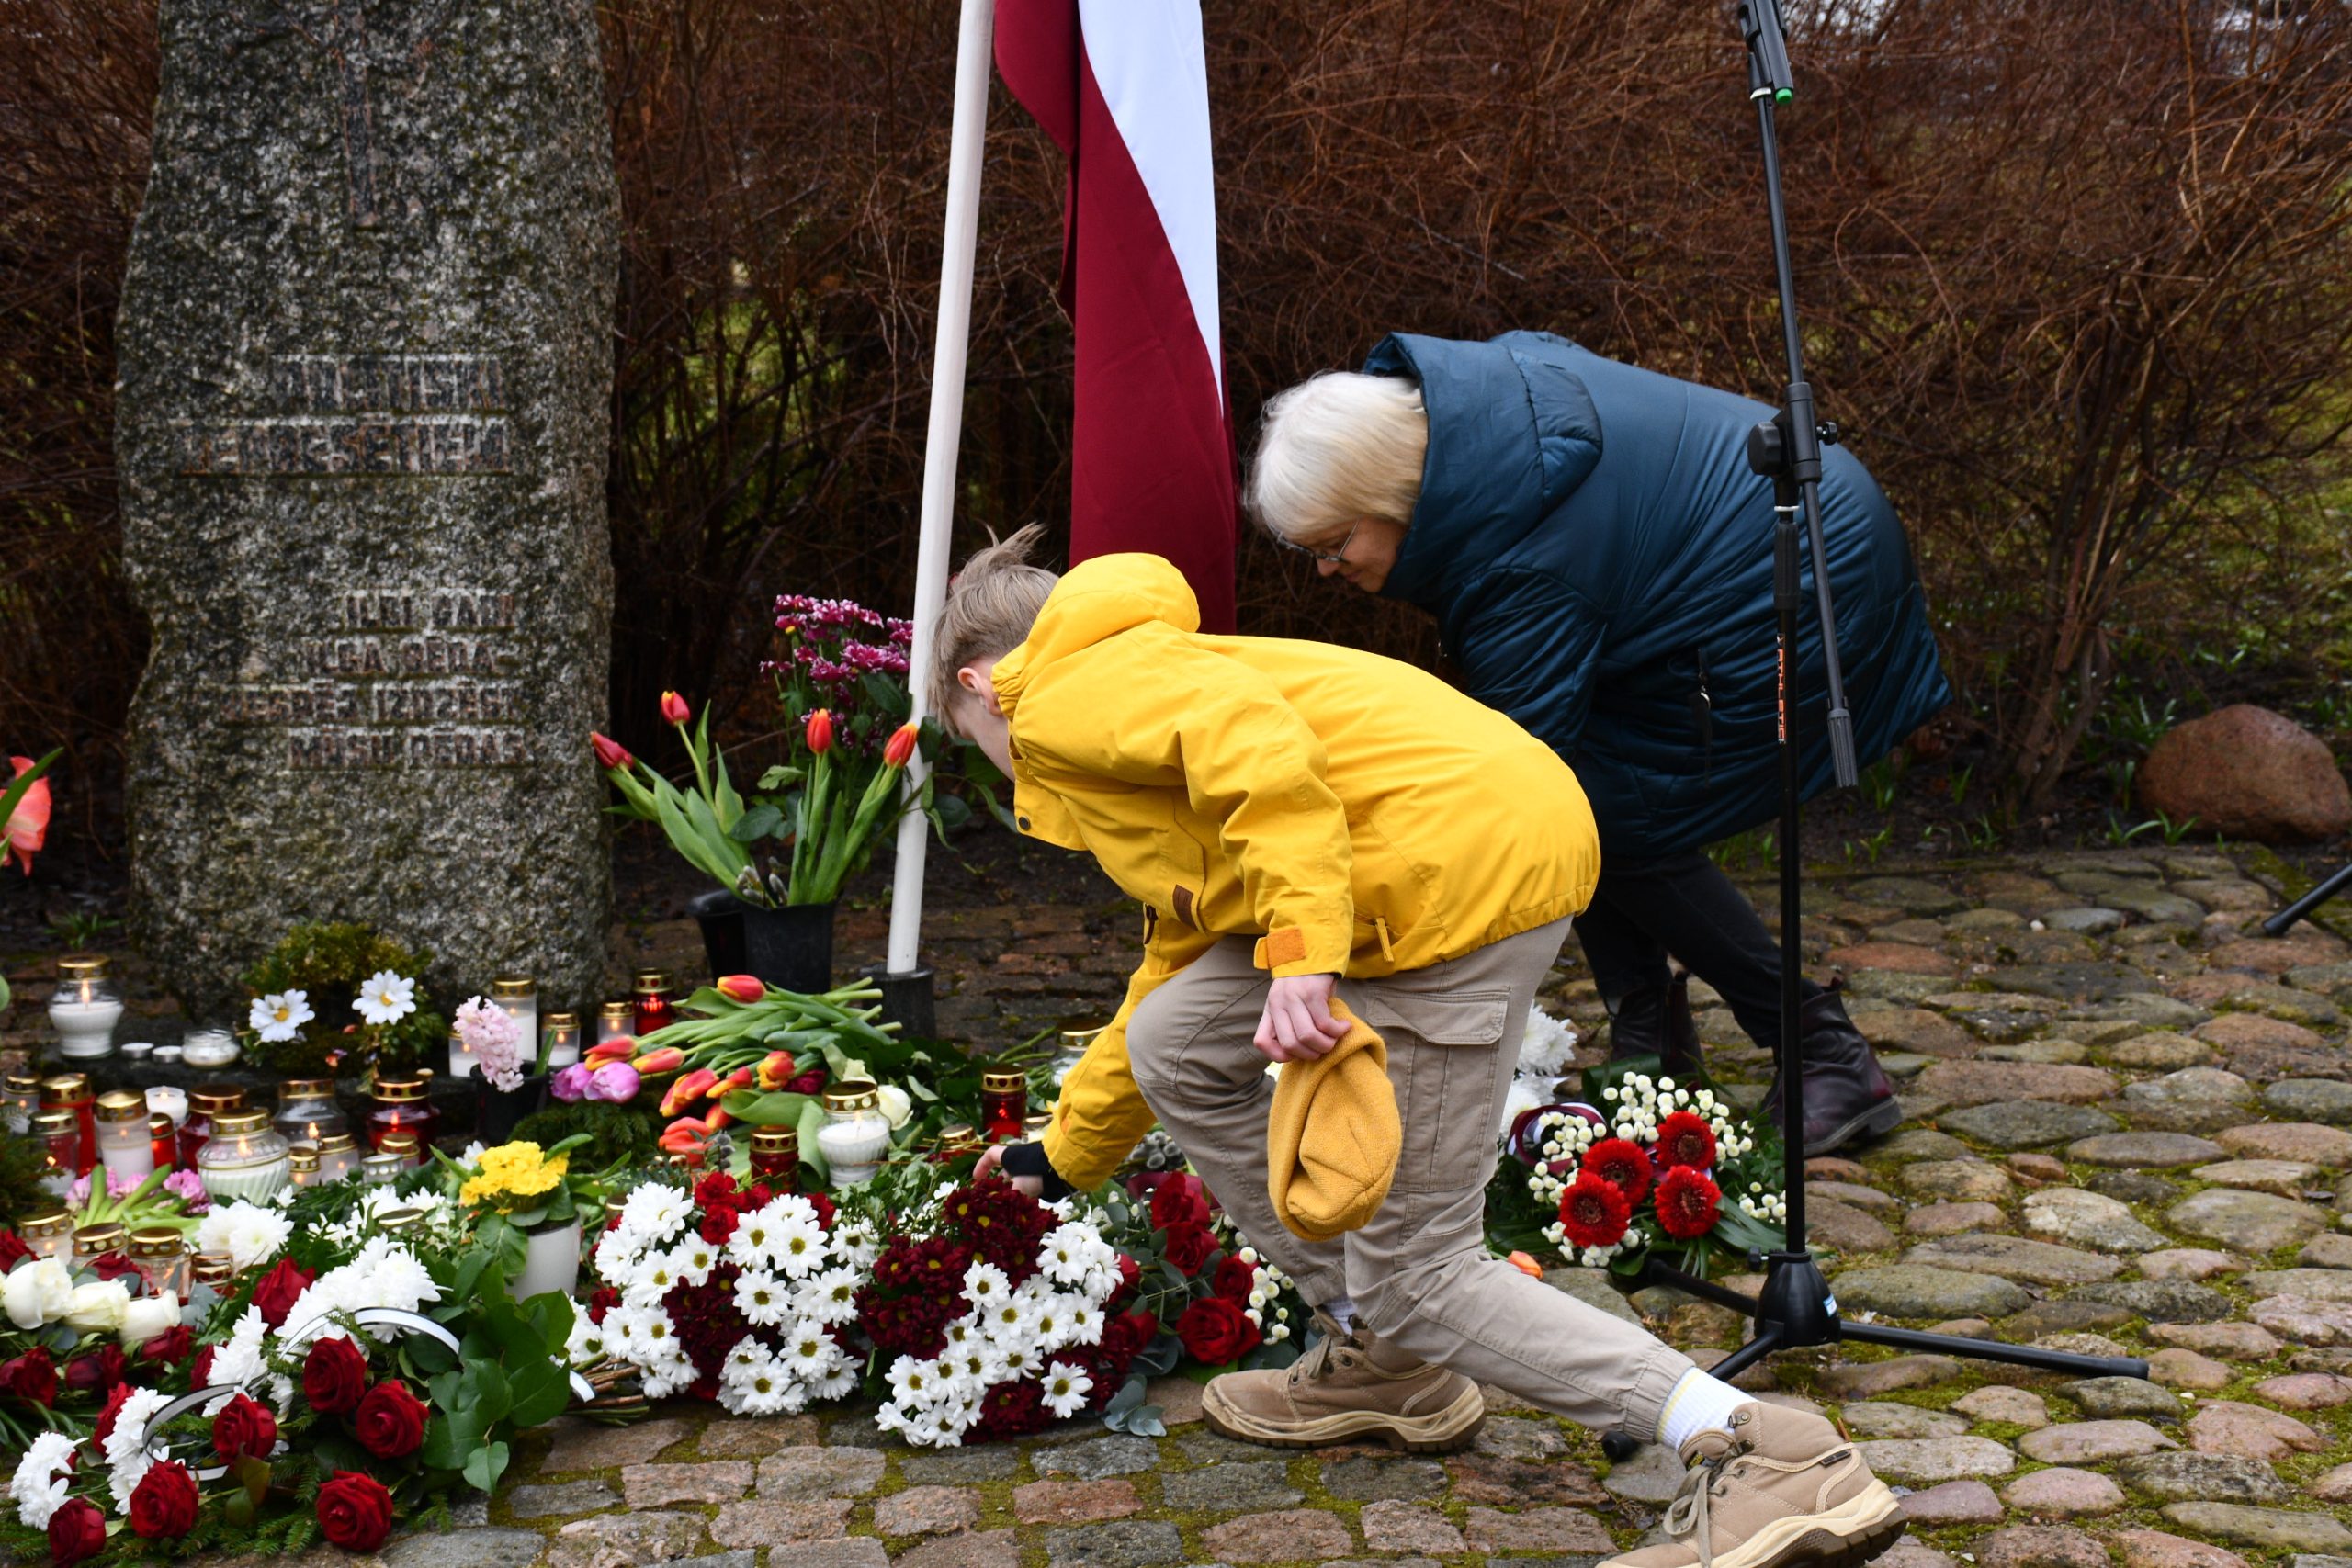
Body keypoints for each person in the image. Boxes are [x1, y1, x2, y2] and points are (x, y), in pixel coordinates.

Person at [941, 530, 1906, 1568]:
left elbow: (1264, 763)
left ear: (977, 686)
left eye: (969, 739)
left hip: (1446, 884)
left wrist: (1302, 954)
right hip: (1423, 858)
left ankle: (1767, 1450)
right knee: (1177, 1039)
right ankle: (1387, 1360)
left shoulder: (1059, 697)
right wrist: (1062, 1153)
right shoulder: (1139, 675)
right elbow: (1179, 955)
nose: (996, 767)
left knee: (1418, 1272)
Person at [1246, 331, 1953, 1156]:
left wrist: (1353, 930)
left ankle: (1820, 1048)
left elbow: (1510, 785)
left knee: (1603, 813)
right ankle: (1653, 1048)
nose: (1327, 570)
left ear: (1389, 494)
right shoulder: (1474, 428)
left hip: (1808, 573)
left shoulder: (1519, 548)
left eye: (1333, 544)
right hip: (1769, 532)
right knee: (1587, 797)